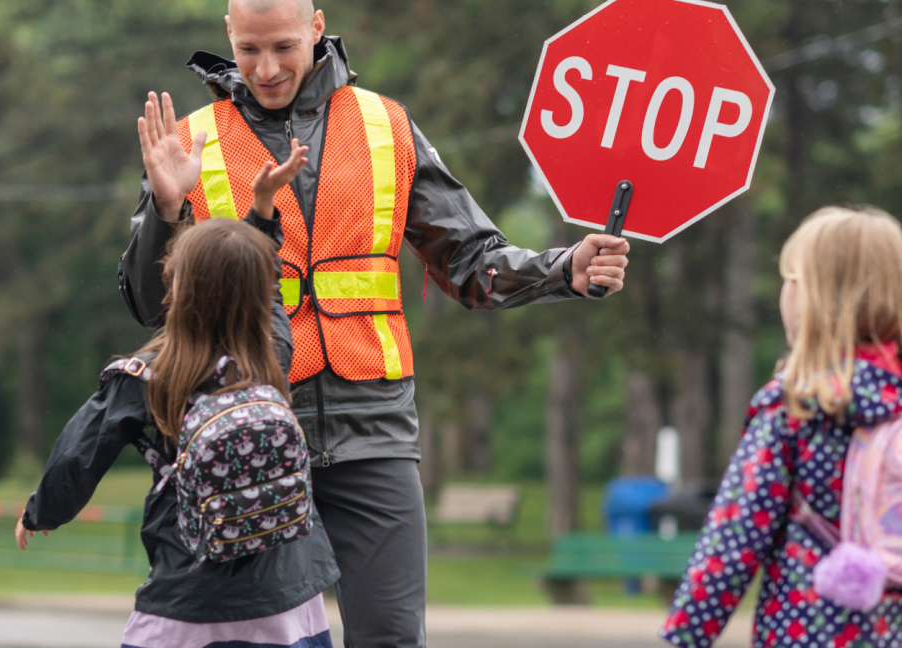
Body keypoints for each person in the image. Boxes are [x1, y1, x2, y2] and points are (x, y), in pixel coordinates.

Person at [118, 1, 631, 644]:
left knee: (390, 637)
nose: (267, 68)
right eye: (249, 50)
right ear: (228, 35)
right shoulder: (191, 143)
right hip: (251, 441)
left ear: (315, 26)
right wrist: (166, 207)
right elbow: (148, 304)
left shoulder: (386, 127)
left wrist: (564, 267)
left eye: (282, 46)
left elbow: (471, 260)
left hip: (374, 435)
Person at [20, 186, 340, 646]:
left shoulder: (147, 377)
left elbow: (80, 454)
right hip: (289, 593)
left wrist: (40, 513)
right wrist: (264, 219)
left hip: (188, 594)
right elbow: (267, 295)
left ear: (177, 287)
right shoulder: (270, 359)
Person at [660, 207, 902, 648]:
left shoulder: (792, 410)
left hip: (804, 634)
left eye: (790, 281)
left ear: (810, 297)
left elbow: (733, 541)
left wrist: (684, 636)